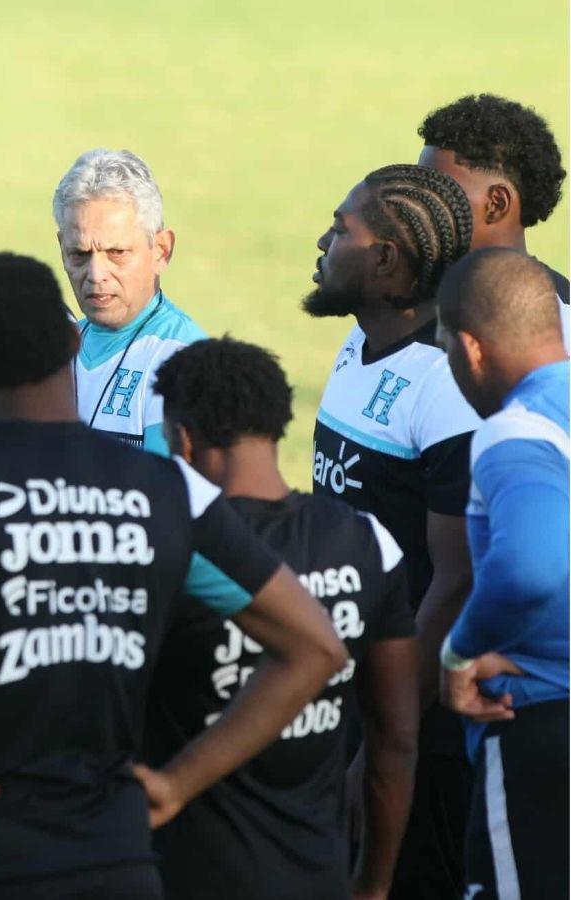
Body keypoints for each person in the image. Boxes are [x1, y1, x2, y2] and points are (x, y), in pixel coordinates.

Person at [0, 253, 348, 899]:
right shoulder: (167, 489)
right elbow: (315, 646)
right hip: (116, 857)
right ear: (71, 341)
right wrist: (179, 781)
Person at [147, 337, 419, 900]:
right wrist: (373, 884)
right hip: (315, 874)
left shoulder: (169, 552)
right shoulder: (368, 543)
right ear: (277, 428)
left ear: (184, 441)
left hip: (183, 874)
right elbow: (395, 742)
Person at [305, 162, 477, 899]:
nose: (322, 239)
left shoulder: (445, 386)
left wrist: (384, 745)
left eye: (341, 229)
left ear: (385, 259)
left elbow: (457, 581)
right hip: (353, 693)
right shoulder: (359, 345)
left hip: (416, 731)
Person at [435, 248, 568, 900]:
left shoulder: (516, 433)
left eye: (446, 350)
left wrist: (459, 652)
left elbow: (531, 566)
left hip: (538, 730)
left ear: (472, 349)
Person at [52, 149, 205, 452]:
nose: (96, 274)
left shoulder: (182, 360)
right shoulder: (55, 350)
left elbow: (167, 492)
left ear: (161, 250)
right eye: (79, 255)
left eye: (117, 253)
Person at [417, 95, 568, 305]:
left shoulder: (560, 322)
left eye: (436, 191)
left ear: (496, 204)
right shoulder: (402, 306)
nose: (415, 201)